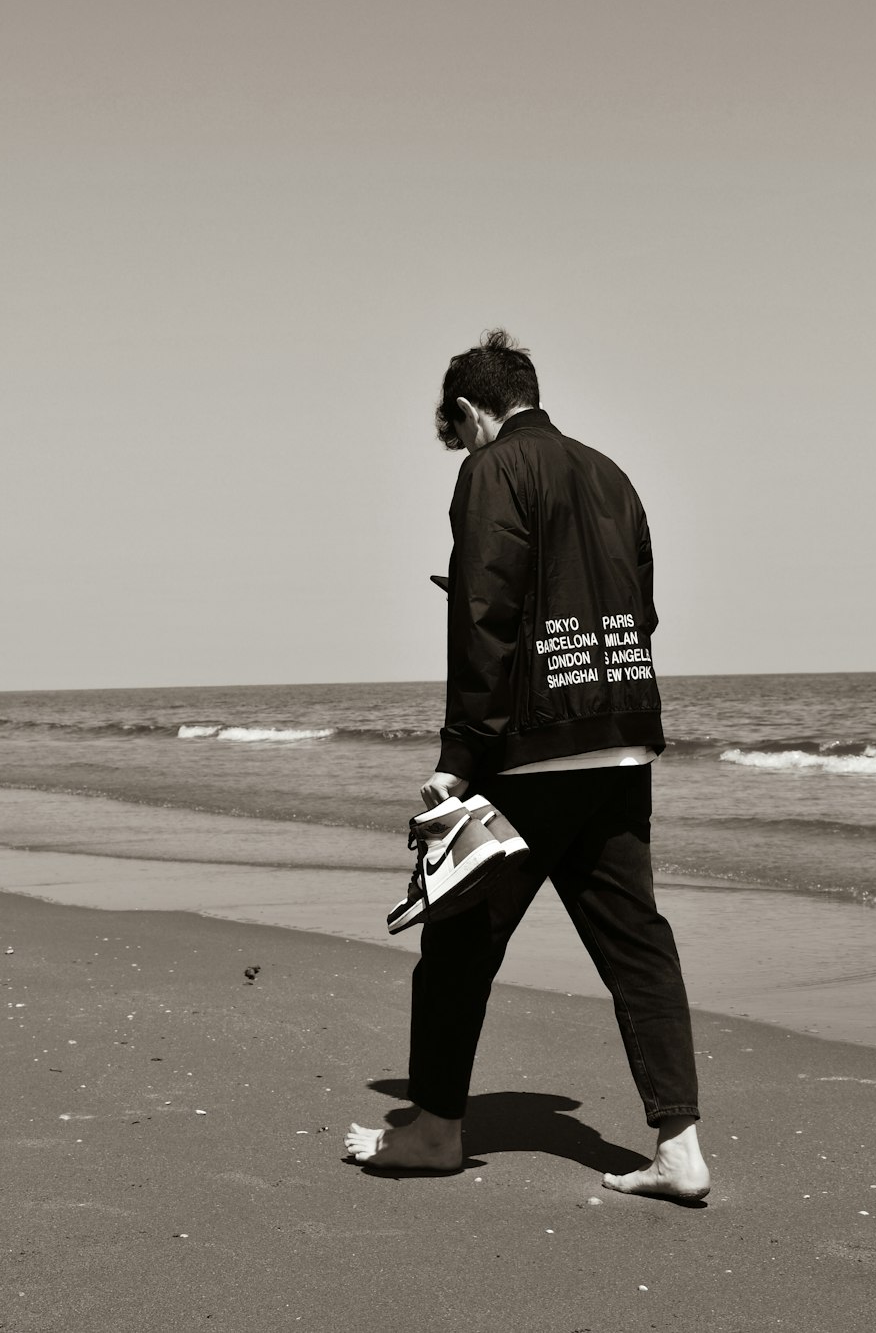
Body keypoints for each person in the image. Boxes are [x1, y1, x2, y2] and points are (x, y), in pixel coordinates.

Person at [345, 330, 709, 1201]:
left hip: (530, 753)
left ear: (472, 410)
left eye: (458, 432)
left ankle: (434, 1131)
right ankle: (681, 1150)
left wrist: (457, 759)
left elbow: (486, 618)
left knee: (456, 946)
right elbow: (639, 608)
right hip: (620, 738)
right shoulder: (611, 473)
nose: (461, 449)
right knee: (638, 949)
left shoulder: (492, 471)